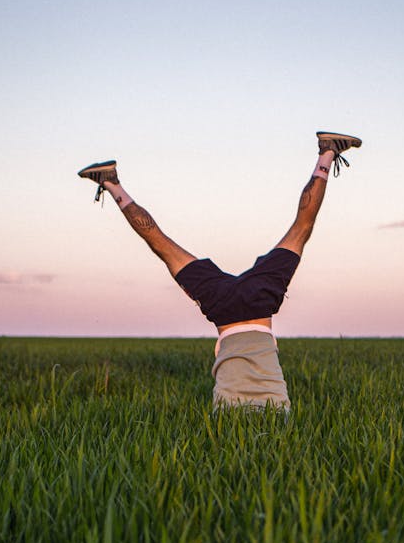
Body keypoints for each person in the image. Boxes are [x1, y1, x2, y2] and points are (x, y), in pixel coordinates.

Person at [78, 132, 361, 411]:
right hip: (223, 305)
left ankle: (327, 152)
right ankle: (111, 183)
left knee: (301, 228)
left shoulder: (278, 417)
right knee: (161, 245)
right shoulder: (227, 419)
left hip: (257, 301)